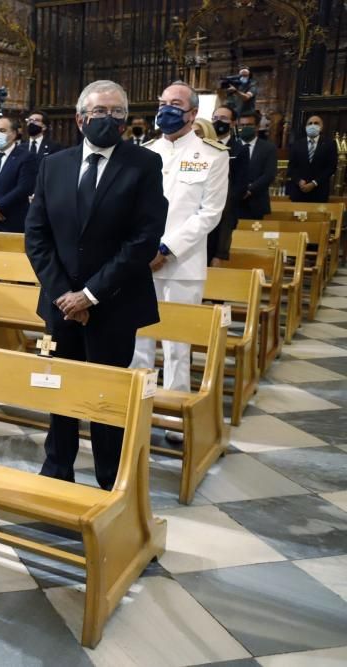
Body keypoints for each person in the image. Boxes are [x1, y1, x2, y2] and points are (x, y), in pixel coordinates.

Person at [24, 80, 167, 490]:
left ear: (125, 120)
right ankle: (57, 471)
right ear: (80, 118)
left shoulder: (143, 164)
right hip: (59, 302)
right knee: (60, 390)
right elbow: (36, 236)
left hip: (115, 302)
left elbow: (143, 238)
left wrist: (89, 294)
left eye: (115, 112)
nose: (107, 119)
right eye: (99, 111)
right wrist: (64, 296)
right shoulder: (54, 165)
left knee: (105, 395)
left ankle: (110, 479)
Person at [131, 82, 227, 438]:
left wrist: (166, 248)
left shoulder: (211, 154)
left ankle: (172, 417)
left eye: (175, 104)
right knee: (139, 338)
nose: (166, 109)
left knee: (176, 344)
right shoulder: (145, 152)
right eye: (162, 102)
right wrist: (143, 249)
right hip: (141, 261)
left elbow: (209, 214)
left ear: (191, 113)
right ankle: (138, 406)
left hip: (182, 264)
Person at [207, 104, 249, 265]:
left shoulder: (239, 149)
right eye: (215, 118)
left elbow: (241, 183)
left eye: (223, 119)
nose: (218, 122)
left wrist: (222, 200)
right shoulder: (204, 147)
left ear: (232, 123)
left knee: (215, 255)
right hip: (204, 205)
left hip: (226, 209)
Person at [286, 115, 338, 203]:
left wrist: (314, 183)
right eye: (310, 123)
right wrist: (299, 181)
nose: (312, 125)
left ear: (321, 127)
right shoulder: (297, 144)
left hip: (319, 192)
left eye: (316, 123)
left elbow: (331, 168)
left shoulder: (330, 144)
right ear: (306, 127)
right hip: (299, 192)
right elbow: (291, 167)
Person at [235, 111, 277, 220]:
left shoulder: (268, 148)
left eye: (249, 125)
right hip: (234, 202)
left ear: (257, 127)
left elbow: (269, 174)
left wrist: (249, 190)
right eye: (242, 125)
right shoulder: (232, 147)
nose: (245, 128)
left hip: (257, 201)